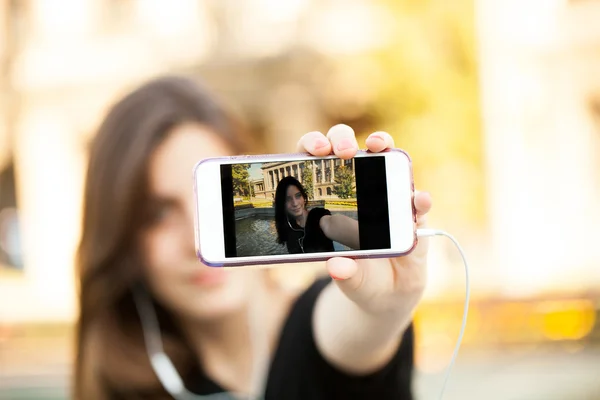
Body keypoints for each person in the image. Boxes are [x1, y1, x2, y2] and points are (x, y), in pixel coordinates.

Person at [74, 75, 433, 400]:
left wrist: (381, 315)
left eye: (208, 199)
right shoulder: (132, 382)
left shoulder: (321, 316)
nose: (193, 241)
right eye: (158, 214)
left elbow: (350, 332)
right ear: (119, 236)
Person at [274, 176, 359, 254]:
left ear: (304, 197)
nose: (295, 203)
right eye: (288, 199)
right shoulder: (287, 226)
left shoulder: (318, 216)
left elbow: (330, 223)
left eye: (298, 196)